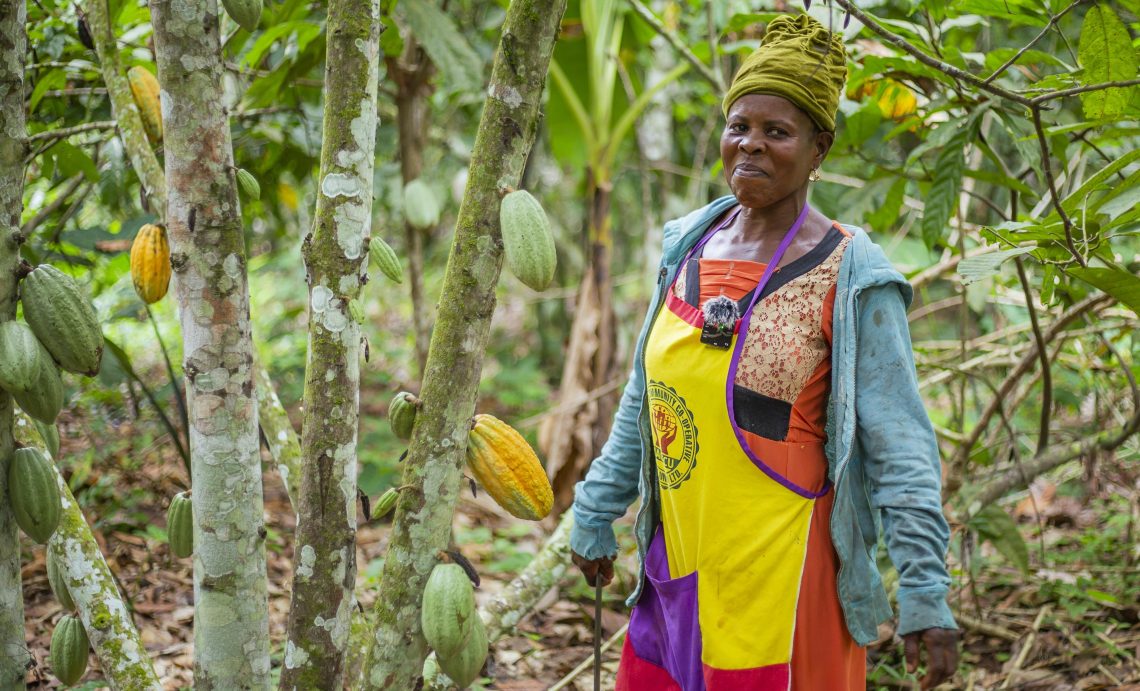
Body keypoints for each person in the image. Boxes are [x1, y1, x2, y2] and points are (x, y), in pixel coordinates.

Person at [568, 13, 960, 691]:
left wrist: (925, 590)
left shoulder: (851, 271)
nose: (749, 145)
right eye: (738, 126)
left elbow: (902, 446)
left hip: (784, 576)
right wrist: (594, 508)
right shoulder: (688, 242)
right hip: (680, 560)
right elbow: (647, 397)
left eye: (776, 132)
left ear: (819, 149)